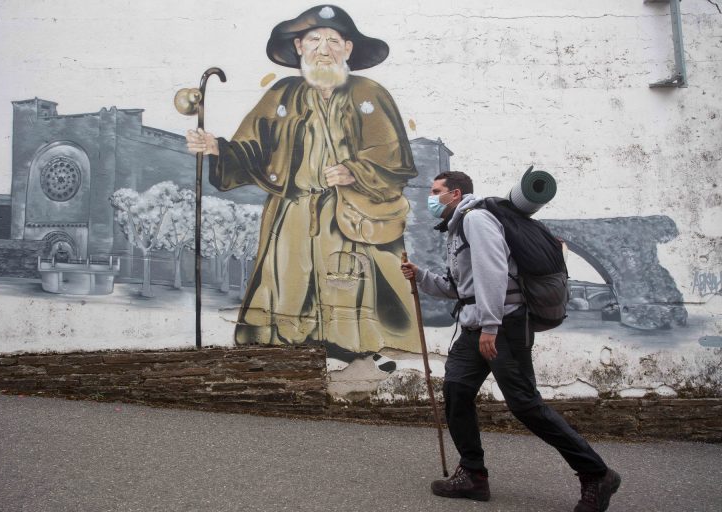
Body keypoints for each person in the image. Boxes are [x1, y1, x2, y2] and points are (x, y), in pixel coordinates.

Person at [186, 5, 419, 366]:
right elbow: (252, 148)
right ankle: (287, 365)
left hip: (348, 217)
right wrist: (218, 148)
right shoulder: (281, 94)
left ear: (348, 49)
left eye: (333, 40)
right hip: (291, 214)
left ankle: (360, 362)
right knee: (287, 289)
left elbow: (393, 160)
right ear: (298, 46)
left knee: (347, 290)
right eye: (313, 40)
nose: (323, 48)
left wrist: (354, 171)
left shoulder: (369, 94)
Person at [400, 171, 621, 512]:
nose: (430, 197)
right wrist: (422, 276)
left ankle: (596, 474)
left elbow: (493, 271)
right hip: (476, 325)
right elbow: (461, 287)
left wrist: (491, 326)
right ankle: (473, 475)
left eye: (435, 191)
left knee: (525, 404)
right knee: (457, 391)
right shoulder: (457, 226)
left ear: (455, 193)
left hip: (502, 325)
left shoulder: (476, 219)